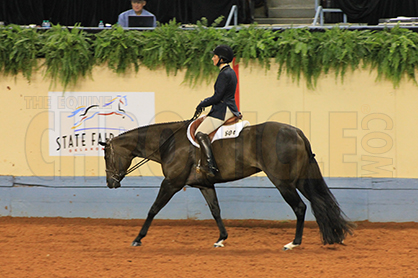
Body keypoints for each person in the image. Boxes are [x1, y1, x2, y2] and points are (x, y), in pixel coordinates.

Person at [194, 45, 241, 178]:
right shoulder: (230, 72)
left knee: (200, 133)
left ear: (221, 59)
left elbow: (217, 97)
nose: (213, 58)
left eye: (215, 56)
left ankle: (210, 166)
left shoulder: (224, 74)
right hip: (228, 107)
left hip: (223, 109)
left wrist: (203, 103)